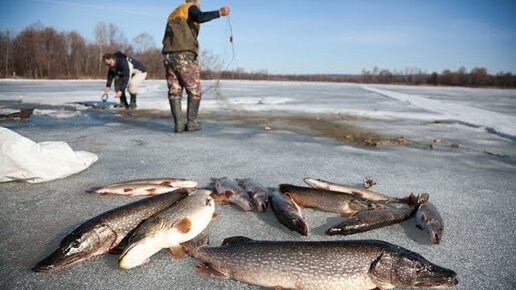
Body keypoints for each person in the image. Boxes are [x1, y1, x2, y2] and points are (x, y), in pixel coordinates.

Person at [162, 0, 230, 132]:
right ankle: (191, 123)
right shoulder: (190, 7)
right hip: (184, 54)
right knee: (194, 90)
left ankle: (179, 124)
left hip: (168, 56)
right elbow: (199, 17)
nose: (200, 5)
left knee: (174, 90)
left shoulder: (174, 13)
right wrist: (219, 13)